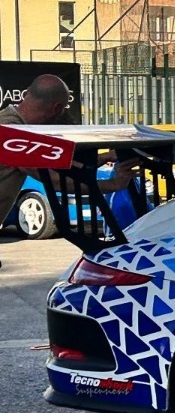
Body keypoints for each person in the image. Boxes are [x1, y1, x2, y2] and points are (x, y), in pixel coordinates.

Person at [0, 75, 140, 268]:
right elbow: (55, 180)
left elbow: (61, 166)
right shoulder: (12, 133)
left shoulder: (14, 129)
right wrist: (112, 185)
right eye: (63, 109)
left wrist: (105, 157)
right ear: (57, 108)